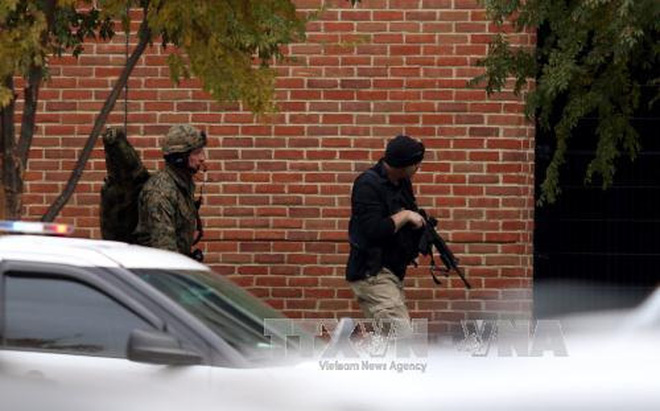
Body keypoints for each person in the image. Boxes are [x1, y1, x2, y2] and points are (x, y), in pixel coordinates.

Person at [346, 134, 426, 334]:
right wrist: (405, 215)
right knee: (401, 336)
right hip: (372, 273)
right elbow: (374, 230)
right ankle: (347, 343)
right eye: (415, 163)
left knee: (389, 338)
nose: (418, 167)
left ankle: (356, 345)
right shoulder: (367, 184)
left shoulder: (402, 182)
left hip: (391, 273)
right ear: (402, 164)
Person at [134, 124, 207, 259]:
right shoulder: (161, 192)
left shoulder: (182, 184)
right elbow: (165, 253)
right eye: (197, 153)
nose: (202, 158)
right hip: (158, 268)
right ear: (180, 158)